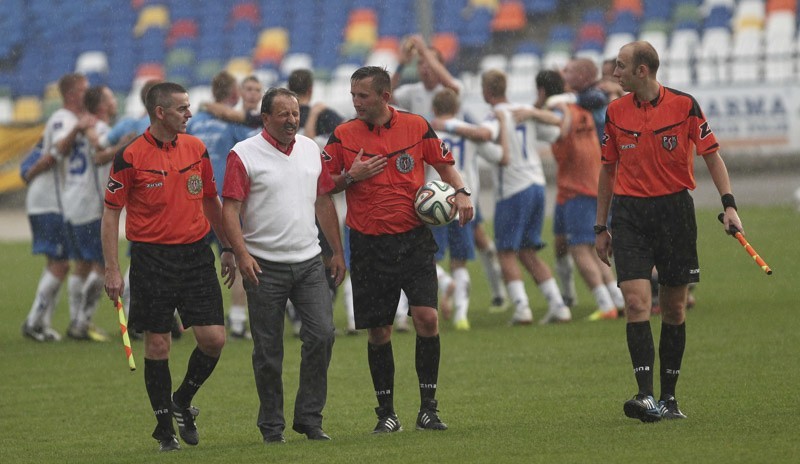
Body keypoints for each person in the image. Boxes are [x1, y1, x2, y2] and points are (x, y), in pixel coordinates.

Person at [595, 41, 743, 422]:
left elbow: (712, 156)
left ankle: (669, 398)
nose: (615, 73)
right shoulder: (614, 112)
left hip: (675, 212)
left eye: (621, 66)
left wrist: (730, 206)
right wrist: (600, 226)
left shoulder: (685, 105)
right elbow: (607, 170)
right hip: (629, 215)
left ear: (642, 70)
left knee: (675, 308)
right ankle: (645, 396)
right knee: (636, 303)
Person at [323, 66, 473, 433]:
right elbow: (324, 186)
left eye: (363, 96)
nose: (355, 102)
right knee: (379, 332)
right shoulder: (342, 135)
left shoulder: (416, 126)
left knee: (427, 318)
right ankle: (386, 413)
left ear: (384, 97)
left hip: (414, 239)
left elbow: (443, 164)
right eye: (353, 95)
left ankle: (428, 409)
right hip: (368, 243)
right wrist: (351, 176)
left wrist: (462, 191)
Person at [101, 82, 236, 451]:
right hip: (151, 259)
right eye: (182, 108)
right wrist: (112, 269)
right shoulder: (129, 156)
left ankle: (181, 400)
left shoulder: (196, 149)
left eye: (189, 107)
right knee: (158, 344)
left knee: (214, 339)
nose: (189, 114)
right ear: (160, 112)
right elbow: (111, 214)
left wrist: (227, 246)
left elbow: (211, 200)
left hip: (195, 255)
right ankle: (165, 431)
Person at [222, 87, 345, 444]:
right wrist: (241, 254)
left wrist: (336, 250)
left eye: (295, 113)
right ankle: (271, 427)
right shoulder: (243, 154)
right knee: (268, 350)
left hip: (308, 262)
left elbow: (323, 200)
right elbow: (229, 209)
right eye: (283, 114)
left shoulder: (310, 149)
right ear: (265, 118)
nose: (292, 120)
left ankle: (309, 418)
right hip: (263, 266)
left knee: (322, 334)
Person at [448, 69, 569, 325]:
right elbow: (555, 133)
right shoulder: (523, 111)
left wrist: (446, 125)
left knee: (505, 252)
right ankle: (559, 306)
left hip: (513, 190)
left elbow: (484, 135)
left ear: (486, 91)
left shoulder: (496, 116)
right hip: (537, 185)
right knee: (527, 252)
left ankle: (522, 308)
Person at [519, 70, 619, 323]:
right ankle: (602, 299)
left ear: (541, 91)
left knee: (581, 249)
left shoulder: (559, 107)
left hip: (579, 186)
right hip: (573, 186)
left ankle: (607, 303)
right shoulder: (577, 103)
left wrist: (532, 111)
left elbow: (559, 123)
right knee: (562, 243)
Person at [21, 73, 93, 342]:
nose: (88, 93)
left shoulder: (68, 119)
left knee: (56, 262)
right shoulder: (64, 119)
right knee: (61, 264)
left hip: (54, 201)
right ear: (72, 94)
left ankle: (42, 323)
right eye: (84, 90)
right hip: (49, 201)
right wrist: (77, 129)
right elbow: (56, 151)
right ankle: (33, 321)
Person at [429, 88, 509, 330]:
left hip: (434, 205)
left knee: (426, 259)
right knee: (460, 262)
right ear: (457, 109)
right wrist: (503, 128)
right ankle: (461, 316)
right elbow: (500, 157)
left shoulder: (429, 133)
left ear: (434, 109)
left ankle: (443, 283)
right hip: (463, 204)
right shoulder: (469, 133)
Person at [187, 71, 253, 339]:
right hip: (226, 203)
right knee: (239, 259)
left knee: (193, 262)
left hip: (194, 204)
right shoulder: (233, 123)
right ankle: (237, 321)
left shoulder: (194, 123)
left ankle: (187, 317)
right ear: (234, 94)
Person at [61, 85, 122, 341]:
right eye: (110, 97)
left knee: (82, 264)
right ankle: (81, 321)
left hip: (73, 201)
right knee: (100, 265)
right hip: (92, 205)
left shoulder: (84, 129)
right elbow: (101, 155)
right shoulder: (102, 131)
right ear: (102, 106)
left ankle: (78, 321)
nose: (114, 100)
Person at [391, 34, 462, 121]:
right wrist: (401, 65)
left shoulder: (451, 89)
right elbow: (387, 97)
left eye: (429, 62)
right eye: (420, 62)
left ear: (440, 65)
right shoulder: (412, 91)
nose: (425, 66)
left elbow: (454, 88)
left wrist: (424, 51)